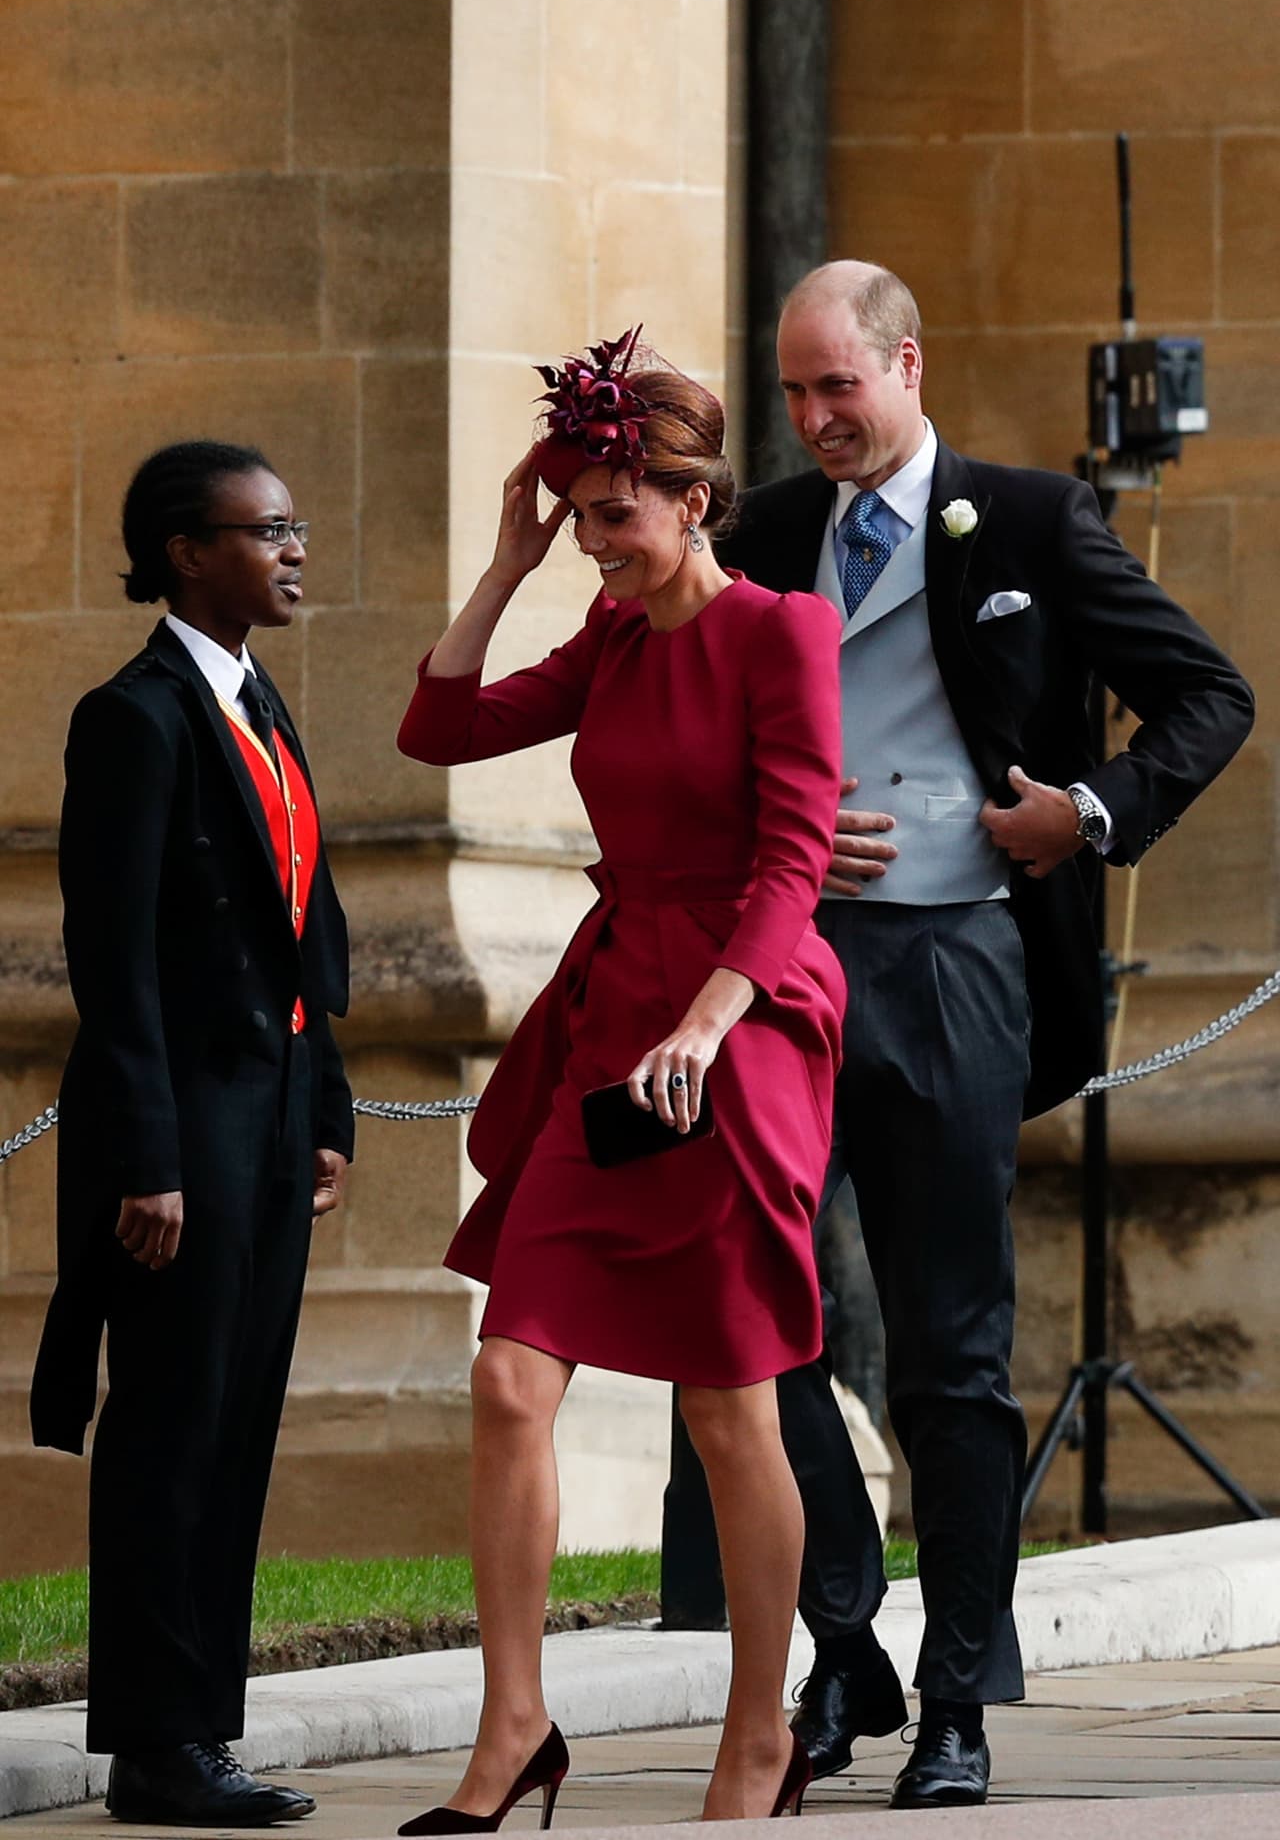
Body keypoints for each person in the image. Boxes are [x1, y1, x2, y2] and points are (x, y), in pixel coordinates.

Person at [665, 260, 1255, 1810]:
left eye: (837, 387)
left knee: (954, 1353)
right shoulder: (763, 534)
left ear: (907, 365)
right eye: (793, 393)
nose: (814, 417)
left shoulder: (1038, 521)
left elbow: (1210, 694)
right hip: (783, 966)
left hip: (958, 962)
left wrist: (1090, 812)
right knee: (742, 1323)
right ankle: (840, 1640)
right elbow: (682, 724)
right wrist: (769, 834)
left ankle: (956, 1702)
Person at [395, 329, 844, 1828]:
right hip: (614, 1020)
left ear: (692, 503)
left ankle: (759, 1738)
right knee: (509, 1378)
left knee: (727, 1404)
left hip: (742, 1021)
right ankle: (513, 1728)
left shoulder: (783, 634)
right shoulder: (612, 635)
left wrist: (708, 1026)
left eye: (613, 515)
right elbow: (439, 729)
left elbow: (794, 862)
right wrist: (506, 566)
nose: (594, 542)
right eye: (579, 516)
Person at [30, 442, 355, 1827]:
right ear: (185, 552)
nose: (293, 550)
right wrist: (148, 1160)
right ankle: (155, 1746)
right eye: (265, 530)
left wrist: (326, 1111)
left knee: (236, 1423)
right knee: (170, 1427)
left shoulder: (256, 698)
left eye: (293, 526)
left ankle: (203, 1731)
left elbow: (299, 926)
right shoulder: (135, 716)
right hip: (183, 1131)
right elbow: (112, 963)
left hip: (270, 1117)